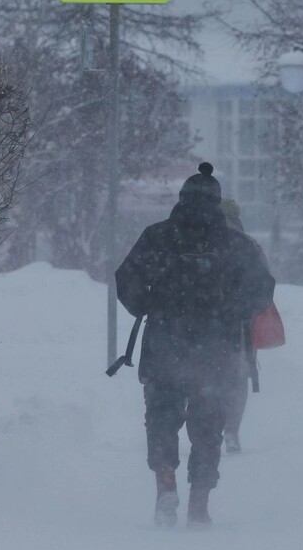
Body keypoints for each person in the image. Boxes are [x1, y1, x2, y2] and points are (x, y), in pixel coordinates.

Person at [116, 163, 275, 529]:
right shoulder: (235, 245)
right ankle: (199, 505)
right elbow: (261, 289)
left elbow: (128, 279)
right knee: (207, 428)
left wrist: (146, 304)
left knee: (161, 418)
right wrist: (234, 312)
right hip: (216, 349)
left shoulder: (157, 236)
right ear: (218, 204)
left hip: (164, 346)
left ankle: (166, 482)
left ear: (181, 200)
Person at [219, 198, 257, 455]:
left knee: (200, 374)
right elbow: (263, 282)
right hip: (239, 324)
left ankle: (205, 425)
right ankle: (231, 430)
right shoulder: (248, 245)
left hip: (200, 322)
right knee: (238, 377)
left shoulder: (196, 239)